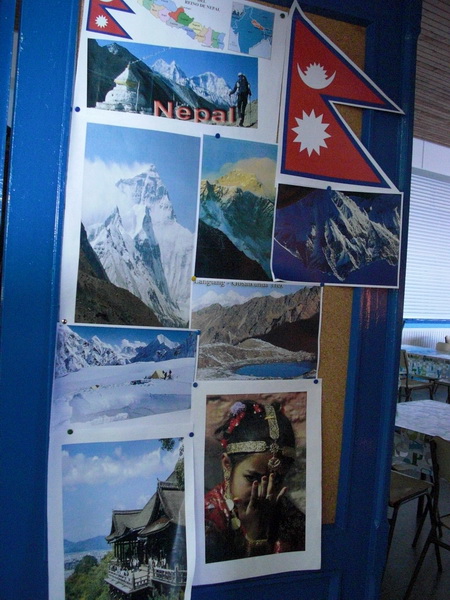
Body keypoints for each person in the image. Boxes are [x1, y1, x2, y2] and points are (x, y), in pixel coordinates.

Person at [204, 400, 305, 563]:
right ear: (227, 465)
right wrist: (255, 537)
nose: (264, 492)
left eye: (277, 480)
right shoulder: (207, 519)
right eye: (253, 478)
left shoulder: (294, 520)